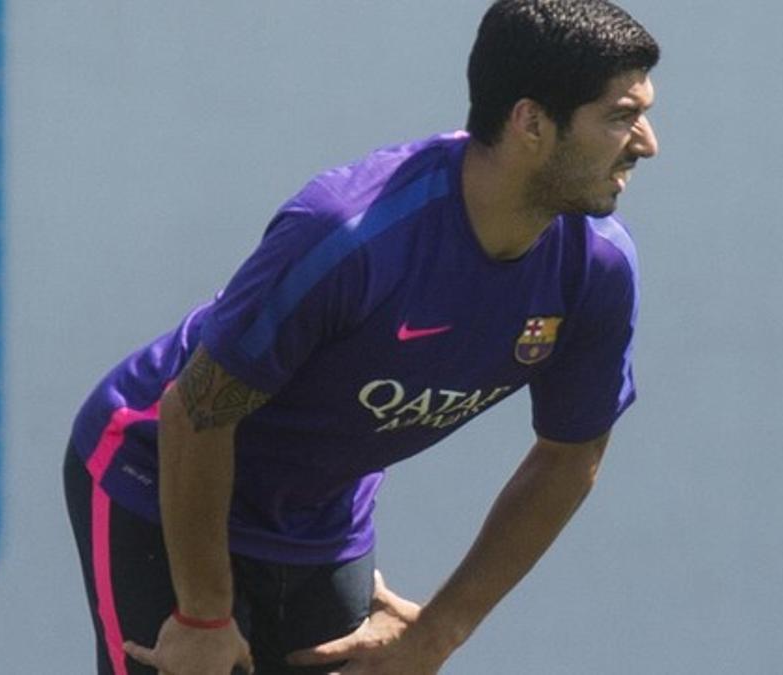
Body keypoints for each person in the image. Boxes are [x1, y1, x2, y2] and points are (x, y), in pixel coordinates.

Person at [64, 0, 660, 672]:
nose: (647, 142)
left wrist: (437, 631)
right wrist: (203, 614)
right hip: (158, 474)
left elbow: (567, 458)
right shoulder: (350, 236)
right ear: (530, 122)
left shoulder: (598, 268)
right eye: (620, 116)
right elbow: (194, 411)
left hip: (319, 520)